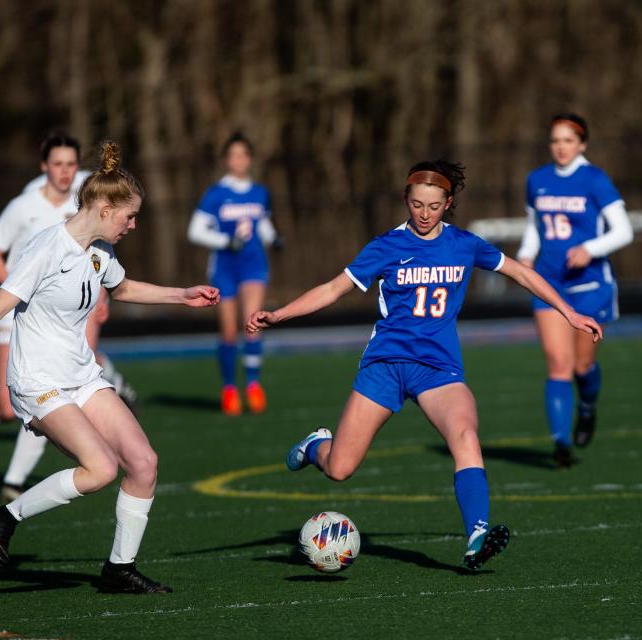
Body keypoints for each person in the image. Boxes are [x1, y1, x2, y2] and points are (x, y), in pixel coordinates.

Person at [247, 161, 602, 570]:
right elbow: (332, 289)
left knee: (465, 433)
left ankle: (477, 535)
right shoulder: (385, 246)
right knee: (340, 468)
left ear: (448, 203)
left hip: (437, 368)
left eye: (434, 206)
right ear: (406, 200)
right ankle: (315, 447)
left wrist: (569, 313)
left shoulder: (465, 244)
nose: (424, 213)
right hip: (385, 365)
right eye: (416, 204)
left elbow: (522, 272)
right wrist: (279, 315)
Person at [0, 141, 219, 593]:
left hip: (81, 377)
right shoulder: (46, 248)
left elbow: (122, 288)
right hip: (38, 382)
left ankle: (119, 569)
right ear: (104, 207)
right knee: (99, 469)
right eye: (129, 216)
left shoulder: (99, 251)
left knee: (143, 463)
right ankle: (4, 517)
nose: (133, 225)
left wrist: (182, 294)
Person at [0, 132, 138, 504]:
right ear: (44, 166)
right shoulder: (24, 205)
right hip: (20, 308)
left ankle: (14, 480)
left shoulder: (90, 196)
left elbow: (96, 265)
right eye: (57, 164)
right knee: (11, 406)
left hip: (67, 312)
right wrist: (21, 289)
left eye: (71, 164)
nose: (65, 172)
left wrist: (96, 292)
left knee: (65, 385)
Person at [516, 113, 633, 467]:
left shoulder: (595, 179)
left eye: (568, 140)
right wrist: (525, 254)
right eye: (555, 140)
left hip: (590, 286)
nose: (561, 147)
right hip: (551, 285)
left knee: (583, 365)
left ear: (581, 144)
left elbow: (623, 231)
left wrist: (591, 249)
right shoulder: (537, 179)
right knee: (558, 364)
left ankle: (587, 406)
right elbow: (535, 226)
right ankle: (561, 444)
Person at [188, 132, 278, 416]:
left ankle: (253, 385)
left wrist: (274, 238)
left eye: (243, 154)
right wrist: (226, 242)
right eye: (233, 155)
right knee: (229, 332)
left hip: (253, 265)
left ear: (249, 159)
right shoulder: (215, 194)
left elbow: (262, 224)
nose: (239, 160)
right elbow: (195, 231)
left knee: (252, 324)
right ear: (227, 160)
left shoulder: (260, 192)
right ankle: (229, 388)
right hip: (225, 267)